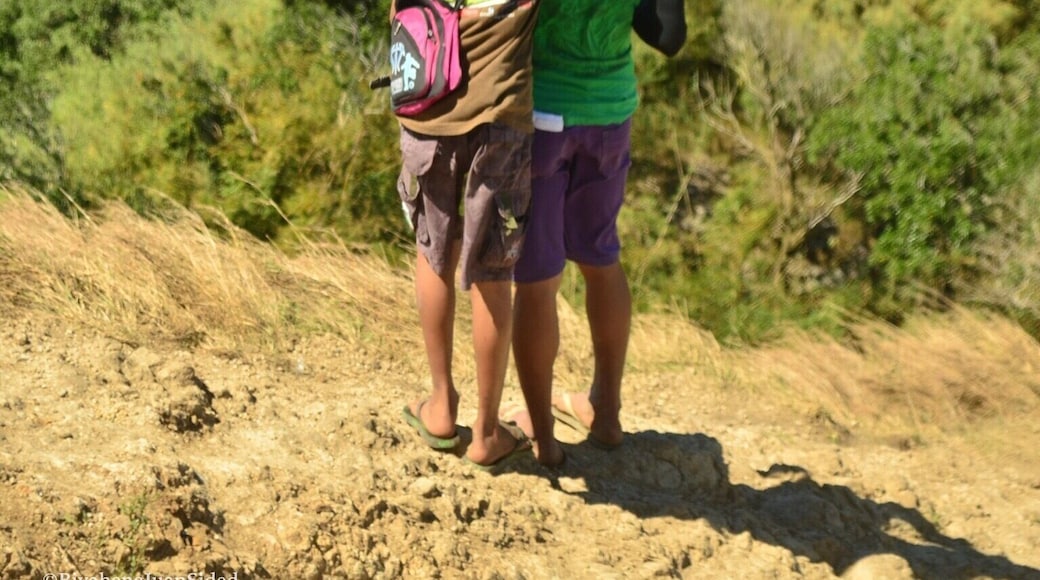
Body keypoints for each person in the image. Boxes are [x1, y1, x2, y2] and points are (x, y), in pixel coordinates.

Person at [509, 0, 686, 466]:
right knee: (601, 259)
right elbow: (668, 36)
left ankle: (543, 437)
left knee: (537, 280)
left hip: (543, 110)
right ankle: (605, 412)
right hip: (610, 112)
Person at [397, 0, 540, 469]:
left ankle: (440, 407)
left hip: (429, 98)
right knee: (493, 270)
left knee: (433, 252)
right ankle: (487, 432)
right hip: (500, 108)